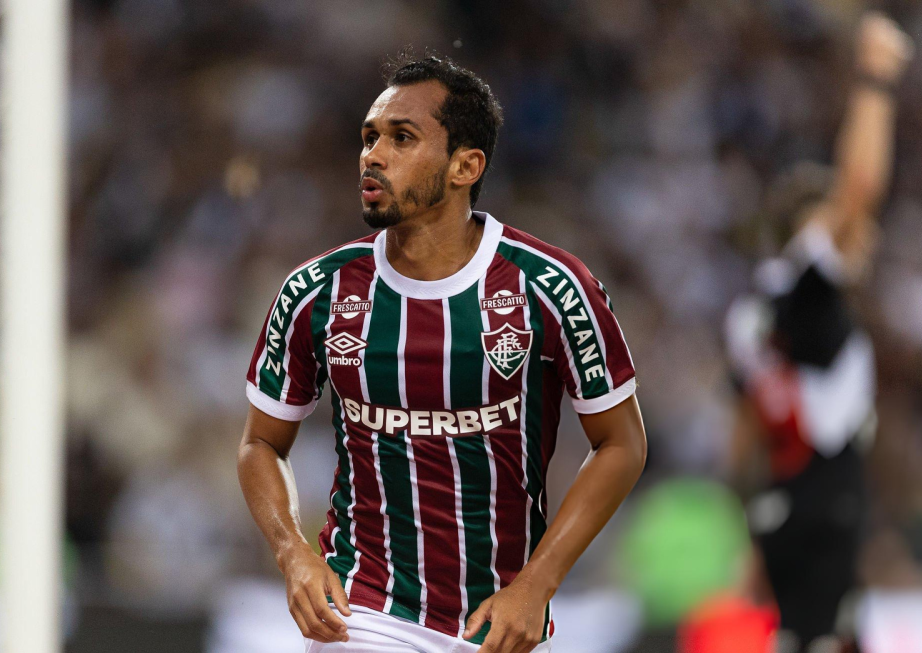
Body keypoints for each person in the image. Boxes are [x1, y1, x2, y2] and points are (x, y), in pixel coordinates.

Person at [237, 55, 647, 653]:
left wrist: (537, 585)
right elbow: (260, 443)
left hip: (499, 625)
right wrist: (293, 553)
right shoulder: (317, 290)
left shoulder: (552, 286)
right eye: (369, 137)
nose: (372, 155)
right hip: (364, 614)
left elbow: (622, 442)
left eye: (402, 138)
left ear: (465, 165)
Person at [724, 13, 913, 653]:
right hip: (826, 493)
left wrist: (752, 531)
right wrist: (876, 78)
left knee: (813, 635)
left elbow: (743, 437)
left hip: (782, 497)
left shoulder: (754, 312)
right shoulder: (810, 276)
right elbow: (859, 188)